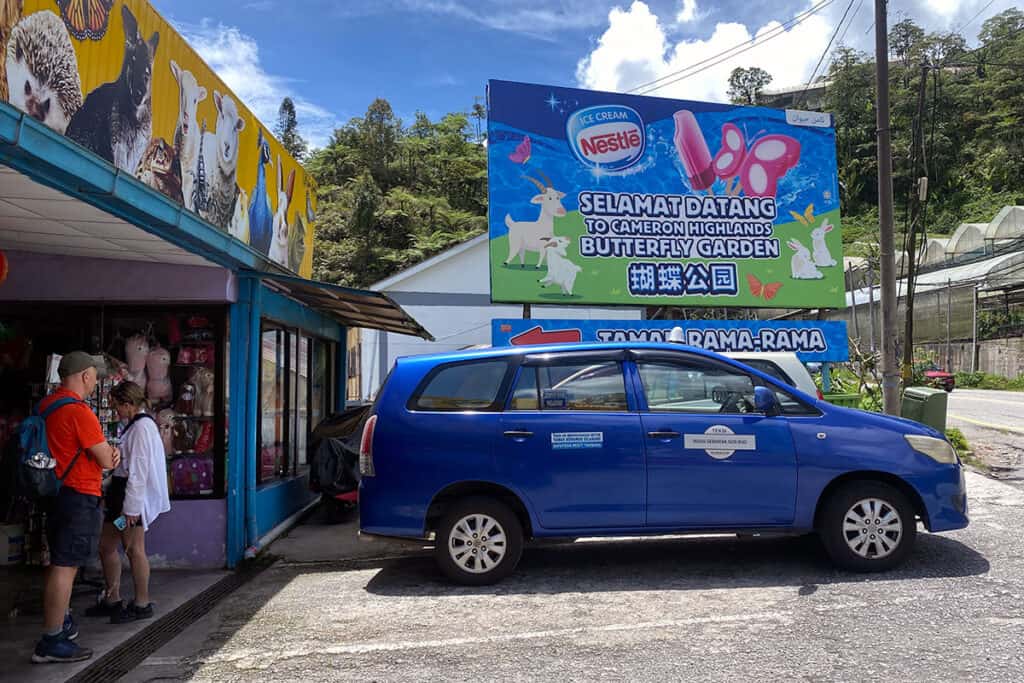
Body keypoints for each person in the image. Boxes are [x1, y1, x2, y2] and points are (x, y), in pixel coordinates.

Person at [33, 352, 120, 664]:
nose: (96, 381)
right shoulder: (79, 412)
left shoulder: (46, 406)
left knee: (59, 561)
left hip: (54, 494)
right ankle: (52, 638)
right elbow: (106, 459)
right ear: (85, 376)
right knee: (66, 566)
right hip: (78, 496)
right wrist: (112, 453)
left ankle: (62, 621)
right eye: (95, 376)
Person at [85, 381, 170, 623]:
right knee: (106, 545)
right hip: (120, 497)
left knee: (134, 549)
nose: (115, 411)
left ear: (128, 404)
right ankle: (112, 598)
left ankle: (141, 603)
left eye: (117, 406)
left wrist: (132, 509)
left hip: (130, 500)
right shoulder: (133, 426)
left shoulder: (142, 428)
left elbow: (139, 472)